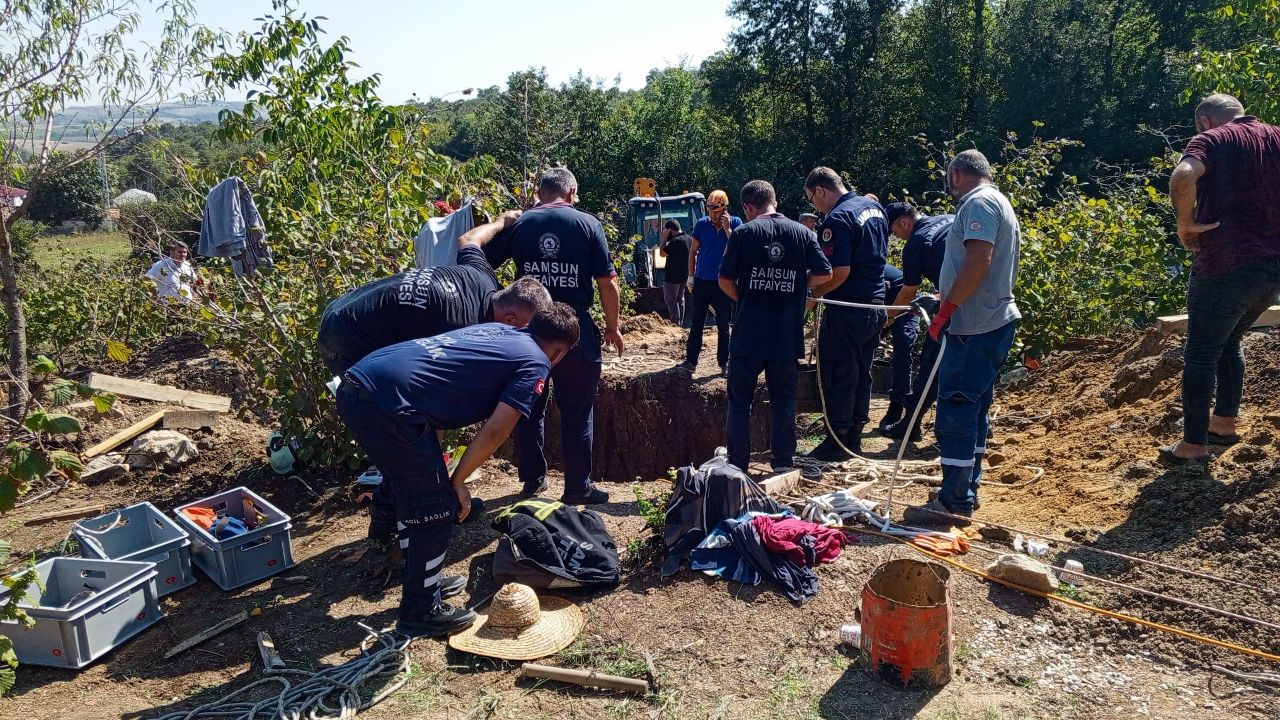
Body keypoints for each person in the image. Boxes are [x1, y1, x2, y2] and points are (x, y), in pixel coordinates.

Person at [336, 304, 581, 637]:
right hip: (387, 404)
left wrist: (441, 471)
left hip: (362, 384)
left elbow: (434, 386)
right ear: (559, 351)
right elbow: (496, 431)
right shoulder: (536, 362)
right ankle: (420, 611)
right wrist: (457, 482)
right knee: (434, 506)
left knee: (418, 491)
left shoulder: (501, 332)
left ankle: (425, 580)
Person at [318, 211, 551, 552]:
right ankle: (392, 524)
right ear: (511, 317)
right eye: (526, 331)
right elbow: (429, 398)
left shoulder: (482, 278)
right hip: (347, 340)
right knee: (405, 437)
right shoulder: (460, 324)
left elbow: (468, 240)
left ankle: (424, 505)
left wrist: (502, 222)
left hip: (345, 306)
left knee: (416, 442)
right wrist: (446, 481)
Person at [484, 167, 624, 504]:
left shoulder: (522, 224)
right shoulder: (588, 224)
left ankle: (533, 481)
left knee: (527, 405)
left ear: (539, 192)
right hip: (575, 331)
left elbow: (481, 262)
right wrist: (612, 326)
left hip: (528, 332)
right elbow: (607, 283)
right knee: (577, 409)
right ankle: (577, 488)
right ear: (572, 192)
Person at [903, 150, 1022, 526]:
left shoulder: (979, 203)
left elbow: (978, 261)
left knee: (955, 410)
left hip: (973, 326)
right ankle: (966, 489)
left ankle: (954, 502)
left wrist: (946, 311)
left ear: (956, 175)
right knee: (974, 409)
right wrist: (946, 298)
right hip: (988, 320)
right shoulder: (996, 200)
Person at [1161, 94, 1280, 465]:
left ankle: (1193, 445)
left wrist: (1186, 225)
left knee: (1201, 352)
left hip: (1224, 264)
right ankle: (1224, 424)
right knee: (1230, 341)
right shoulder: (1276, 135)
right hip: (1272, 266)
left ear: (1204, 121)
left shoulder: (1212, 139)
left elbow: (1182, 177)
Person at [719, 180, 832, 474]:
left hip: (748, 333)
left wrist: (746, 297)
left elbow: (724, 280)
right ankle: (783, 462)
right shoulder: (802, 232)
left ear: (747, 207)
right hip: (785, 332)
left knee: (740, 401)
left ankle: (737, 465)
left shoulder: (743, 233)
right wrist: (797, 286)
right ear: (775, 201)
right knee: (784, 398)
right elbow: (825, 272)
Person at [803, 167, 888, 460]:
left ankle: (836, 441)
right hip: (875, 306)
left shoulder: (837, 219)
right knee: (862, 373)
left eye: (813, 200)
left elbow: (837, 272)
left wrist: (813, 295)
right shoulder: (874, 207)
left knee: (839, 373)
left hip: (847, 309)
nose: (815, 206)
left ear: (821, 191)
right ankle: (854, 436)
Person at [881, 202, 955, 441]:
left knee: (930, 363)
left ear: (903, 221)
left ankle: (910, 424)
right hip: (978, 299)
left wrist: (887, 318)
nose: (897, 237)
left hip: (954, 306)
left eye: (895, 231)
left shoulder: (916, 243)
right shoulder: (948, 217)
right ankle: (980, 429)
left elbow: (907, 293)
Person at [683, 189, 741, 373]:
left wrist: (727, 230)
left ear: (725, 209)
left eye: (716, 211)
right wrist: (691, 276)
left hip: (723, 282)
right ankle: (691, 361)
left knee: (723, 324)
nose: (713, 215)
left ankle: (724, 363)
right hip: (702, 281)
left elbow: (739, 248)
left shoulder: (736, 223)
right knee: (697, 323)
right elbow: (693, 251)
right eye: (710, 211)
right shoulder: (701, 224)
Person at [878, 264, 918, 433]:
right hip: (881, 308)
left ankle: (897, 406)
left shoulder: (882, 272)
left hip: (905, 306)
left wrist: (891, 316)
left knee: (903, 352)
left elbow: (908, 292)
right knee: (864, 349)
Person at [659, 219, 691, 326]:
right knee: (680, 299)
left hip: (672, 278)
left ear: (670, 231)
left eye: (665, 231)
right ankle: (680, 322)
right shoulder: (688, 239)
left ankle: (675, 323)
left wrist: (664, 239)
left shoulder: (675, 241)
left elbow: (662, 253)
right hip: (684, 276)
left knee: (672, 301)